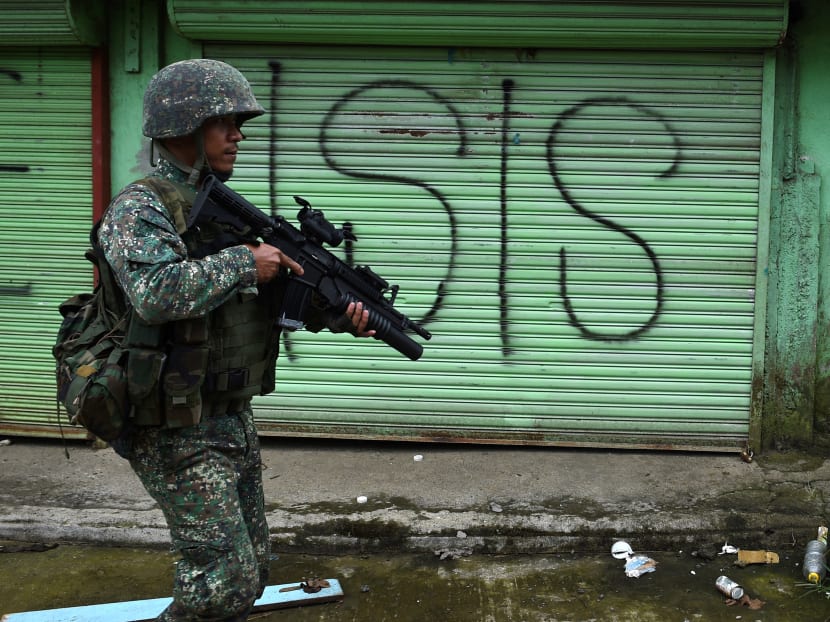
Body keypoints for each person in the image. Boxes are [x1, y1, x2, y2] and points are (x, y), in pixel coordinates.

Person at [98, 58, 373, 621]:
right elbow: (154, 292)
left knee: (250, 571)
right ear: (183, 127)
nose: (238, 135)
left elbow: (257, 303)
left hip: (226, 412)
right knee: (220, 582)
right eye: (224, 122)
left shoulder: (220, 209)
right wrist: (245, 265)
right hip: (171, 422)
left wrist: (337, 314)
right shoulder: (140, 209)